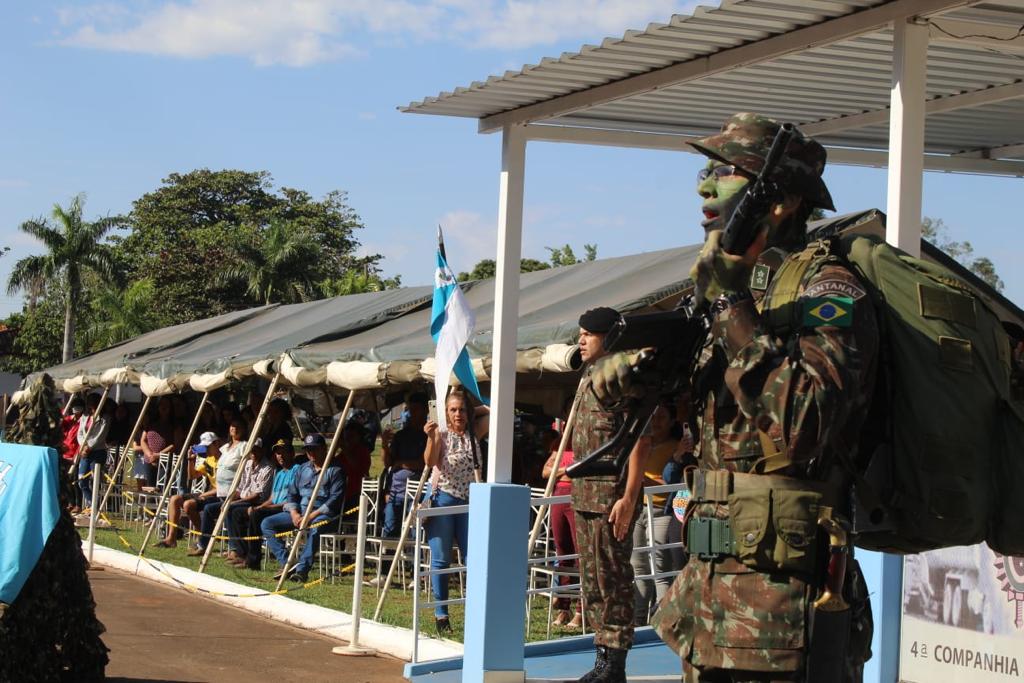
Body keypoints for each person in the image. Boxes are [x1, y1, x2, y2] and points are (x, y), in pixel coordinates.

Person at [593, 113, 877, 682]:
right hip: (709, 596)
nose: (704, 185)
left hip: (785, 604)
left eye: (725, 171)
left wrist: (729, 305)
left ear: (782, 202)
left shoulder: (830, 291)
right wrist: (635, 378)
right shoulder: (728, 295)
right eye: (705, 169)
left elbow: (802, 420)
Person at [570, 306, 650, 683]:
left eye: (589, 334)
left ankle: (614, 665)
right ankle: (602, 658)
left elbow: (639, 438)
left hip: (611, 497)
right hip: (586, 495)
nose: (581, 340)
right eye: (581, 333)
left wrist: (630, 496)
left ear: (610, 337)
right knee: (593, 581)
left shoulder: (621, 376)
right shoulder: (590, 375)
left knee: (613, 579)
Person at [422, 389, 488, 634]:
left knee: (474, 559)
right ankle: (442, 614)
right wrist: (431, 436)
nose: (457, 414)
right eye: (452, 410)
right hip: (444, 499)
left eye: (461, 409)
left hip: (470, 500)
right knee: (441, 559)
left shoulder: (473, 433)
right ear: (445, 413)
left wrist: (474, 410)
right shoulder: (441, 434)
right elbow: (429, 462)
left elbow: (493, 411)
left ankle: (475, 612)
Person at [261, 433, 346, 583]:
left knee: (316, 528)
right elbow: (292, 495)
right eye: (308, 450)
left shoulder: (335, 470)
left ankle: (302, 570)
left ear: (324, 449)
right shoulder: (302, 469)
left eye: (314, 449)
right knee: (267, 524)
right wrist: (294, 513)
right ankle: (287, 562)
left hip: (322, 514)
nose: (311, 453)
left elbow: (335, 499)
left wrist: (311, 516)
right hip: (300, 512)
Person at [630, 403, 687, 625]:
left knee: (661, 568)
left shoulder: (677, 447)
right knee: (639, 567)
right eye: (653, 416)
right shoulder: (642, 444)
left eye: (662, 417)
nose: (656, 421)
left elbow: (672, 480)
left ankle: (663, 622)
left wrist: (646, 481)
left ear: (672, 421)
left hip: (662, 510)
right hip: (639, 509)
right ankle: (638, 622)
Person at [541, 427, 583, 630]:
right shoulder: (560, 444)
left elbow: (583, 471)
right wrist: (565, 471)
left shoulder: (586, 441)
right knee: (562, 550)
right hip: (559, 494)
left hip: (578, 494)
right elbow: (546, 471)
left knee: (580, 553)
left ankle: (581, 609)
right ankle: (564, 607)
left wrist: (562, 472)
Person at [189, 419, 248, 556]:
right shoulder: (224, 448)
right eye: (233, 425)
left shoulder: (244, 446)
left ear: (244, 429)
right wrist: (193, 457)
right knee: (209, 510)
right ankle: (203, 545)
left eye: (238, 426)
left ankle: (234, 550)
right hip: (221, 492)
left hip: (234, 493)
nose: (235, 428)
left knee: (227, 511)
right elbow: (210, 460)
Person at [238, 439, 300, 569]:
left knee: (256, 515)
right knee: (244, 513)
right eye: (278, 453)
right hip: (274, 507)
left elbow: (292, 500)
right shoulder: (279, 473)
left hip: (286, 509)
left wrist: (265, 507)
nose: (280, 456)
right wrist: (261, 506)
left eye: (284, 453)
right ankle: (242, 553)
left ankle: (253, 560)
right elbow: (272, 497)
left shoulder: (297, 470)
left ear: (292, 453)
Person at [155, 431, 221, 549]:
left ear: (216, 444)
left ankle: (202, 536)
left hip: (219, 495)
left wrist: (204, 494)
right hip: (208, 493)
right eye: (204, 447)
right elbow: (192, 476)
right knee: (175, 499)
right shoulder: (209, 460)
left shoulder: (225, 460)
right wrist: (190, 460)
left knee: (188, 505)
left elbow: (223, 487)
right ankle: (171, 538)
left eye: (207, 447)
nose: (206, 450)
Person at [380, 392, 428, 538]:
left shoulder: (429, 435)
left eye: (415, 410)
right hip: (395, 491)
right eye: (409, 410)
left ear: (425, 410)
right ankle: (388, 560)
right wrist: (384, 446)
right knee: (389, 528)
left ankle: (412, 560)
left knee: (414, 531)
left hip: (417, 493)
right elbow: (388, 463)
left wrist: (401, 463)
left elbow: (425, 464)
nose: (411, 414)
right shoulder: (401, 435)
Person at [223, 438, 275, 564]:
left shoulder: (267, 468)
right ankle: (236, 548)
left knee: (233, 510)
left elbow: (257, 495)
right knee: (223, 507)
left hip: (256, 501)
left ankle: (240, 551)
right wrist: (229, 499)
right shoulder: (246, 464)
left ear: (262, 450)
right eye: (251, 450)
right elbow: (239, 488)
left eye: (256, 450)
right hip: (243, 498)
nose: (253, 453)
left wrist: (235, 503)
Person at [76, 393, 112, 511]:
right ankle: (91, 503)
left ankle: (95, 506)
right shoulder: (85, 417)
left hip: (98, 452)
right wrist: (83, 445)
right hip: (85, 452)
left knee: (94, 479)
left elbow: (100, 435)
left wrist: (90, 446)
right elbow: (80, 433)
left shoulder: (105, 418)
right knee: (82, 480)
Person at [339, 420, 371, 513]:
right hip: (341, 491)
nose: (348, 440)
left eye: (351, 437)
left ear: (359, 437)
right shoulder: (343, 453)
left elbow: (357, 467)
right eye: (346, 437)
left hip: (356, 494)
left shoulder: (363, 451)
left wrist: (344, 449)